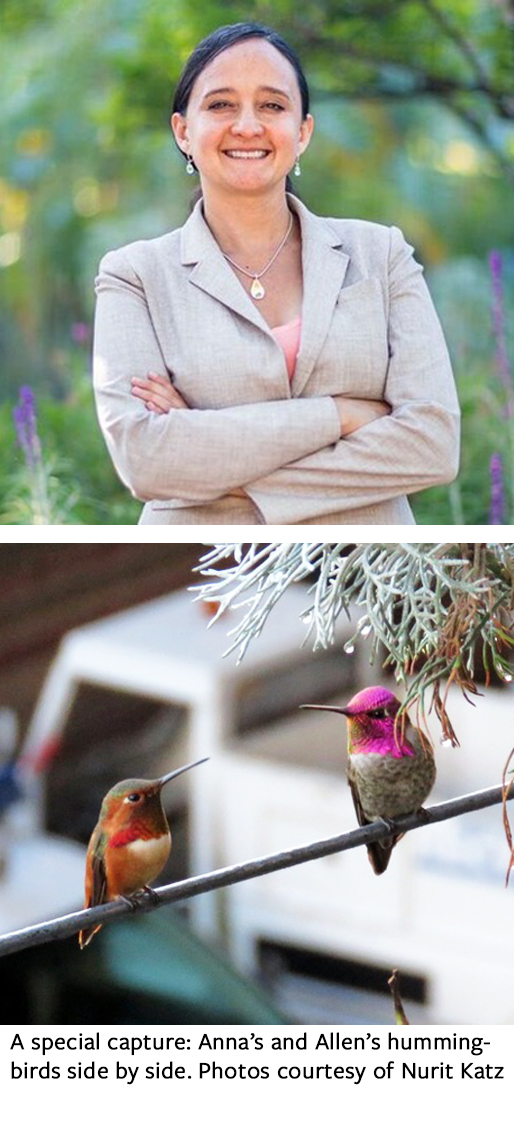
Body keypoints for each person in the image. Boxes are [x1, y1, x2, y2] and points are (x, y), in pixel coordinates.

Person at [93, 22, 460, 525]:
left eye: (272, 105)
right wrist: (343, 415)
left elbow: (433, 444)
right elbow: (146, 460)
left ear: (302, 131)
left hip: (371, 565)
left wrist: (210, 452)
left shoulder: (381, 253)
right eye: (221, 105)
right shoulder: (134, 276)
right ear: (183, 130)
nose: (247, 125)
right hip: (205, 563)